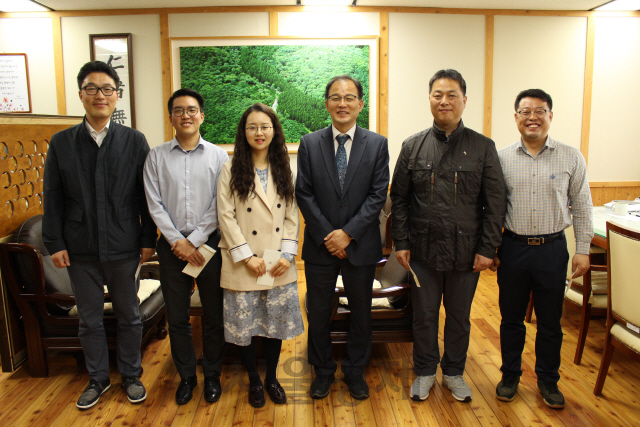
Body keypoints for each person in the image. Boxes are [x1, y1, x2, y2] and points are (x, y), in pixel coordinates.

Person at [43, 61, 156, 410]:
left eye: (107, 89)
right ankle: (97, 379)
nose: (100, 95)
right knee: (89, 319)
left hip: (124, 244)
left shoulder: (134, 140)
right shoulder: (62, 142)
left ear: (117, 95)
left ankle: (132, 375)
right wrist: (55, 243)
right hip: (79, 248)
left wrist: (147, 239)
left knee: (129, 315)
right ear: (81, 95)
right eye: (92, 89)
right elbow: (54, 195)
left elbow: (145, 194)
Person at [390, 69, 506, 403]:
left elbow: (494, 202)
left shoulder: (483, 148)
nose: (445, 101)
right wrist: (402, 241)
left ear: (464, 100)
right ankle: (425, 372)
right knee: (424, 316)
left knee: (459, 318)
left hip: (466, 253)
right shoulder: (412, 146)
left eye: (452, 95)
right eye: (438, 95)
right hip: (422, 252)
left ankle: (454, 373)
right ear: (429, 99)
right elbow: (399, 198)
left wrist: (488, 247)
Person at [492, 89, 593, 409]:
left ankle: (549, 380)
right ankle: (510, 375)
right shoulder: (502, 157)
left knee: (550, 321)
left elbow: (584, 207)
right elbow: (491, 208)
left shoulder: (571, 156)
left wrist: (585, 248)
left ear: (551, 115)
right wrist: (492, 247)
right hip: (513, 248)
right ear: (516, 117)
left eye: (540, 111)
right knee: (511, 319)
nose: (532, 117)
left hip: (552, 249)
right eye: (525, 111)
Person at [296, 75, 390, 401]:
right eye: (335, 97)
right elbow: (304, 194)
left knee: (361, 313)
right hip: (320, 247)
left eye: (350, 97)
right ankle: (322, 371)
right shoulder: (309, 143)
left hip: (360, 245)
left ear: (360, 104)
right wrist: (329, 236)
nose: (342, 103)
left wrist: (348, 234)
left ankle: (354, 371)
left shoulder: (377, 144)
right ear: (327, 104)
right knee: (319, 312)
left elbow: (378, 195)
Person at [143, 88, 228, 405]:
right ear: (171, 118)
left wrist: (193, 241)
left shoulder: (219, 156)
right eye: (179, 111)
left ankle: (213, 376)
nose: (186, 115)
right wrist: (177, 241)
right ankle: (187, 377)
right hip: (170, 247)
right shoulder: (156, 156)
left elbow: (220, 204)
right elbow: (154, 205)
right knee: (177, 318)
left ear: (202, 116)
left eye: (192, 110)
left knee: (213, 315)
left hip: (209, 247)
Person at [217, 103, 304, 408]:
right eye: (252, 127)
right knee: (247, 327)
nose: (259, 132)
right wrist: (246, 257)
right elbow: (225, 216)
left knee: (274, 324)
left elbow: (293, 214)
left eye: (265, 126)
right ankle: (254, 379)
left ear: (274, 131)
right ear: (244, 132)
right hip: (245, 262)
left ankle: (272, 379)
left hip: (276, 260)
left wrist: (287, 255)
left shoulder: (285, 167)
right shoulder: (230, 167)